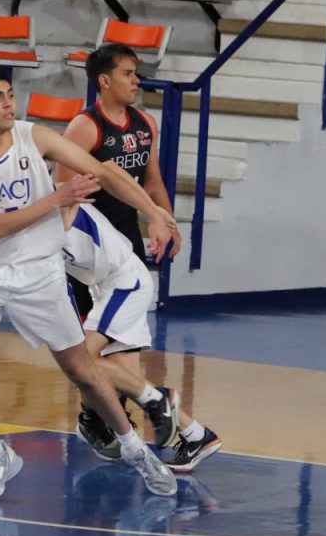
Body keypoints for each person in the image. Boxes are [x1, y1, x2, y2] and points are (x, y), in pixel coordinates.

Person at [0, 67, 180, 502]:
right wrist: (55, 200)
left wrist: (154, 213)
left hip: (39, 273)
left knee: (82, 371)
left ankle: (136, 451)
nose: (9, 104)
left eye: (10, 95)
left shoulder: (34, 136)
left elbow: (103, 170)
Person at [62, 200, 223, 472]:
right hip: (109, 285)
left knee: (80, 361)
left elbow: (116, 180)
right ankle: (197, 435)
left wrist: (153, 213)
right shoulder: (32, 217)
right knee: (125, 380)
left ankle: (151, 402)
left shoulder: (54, 203)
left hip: (123, 283)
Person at [59, 43, 177, 316]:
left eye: (135, 73)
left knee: (129, 318)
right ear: (105, 81)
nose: (136, 81)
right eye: (127, 74)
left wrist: (168, 223)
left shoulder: (146, 123)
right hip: (91, 240)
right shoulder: (84, 126)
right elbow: (64, 190)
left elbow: (153, 182)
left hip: (128, 232)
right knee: (86, 321)